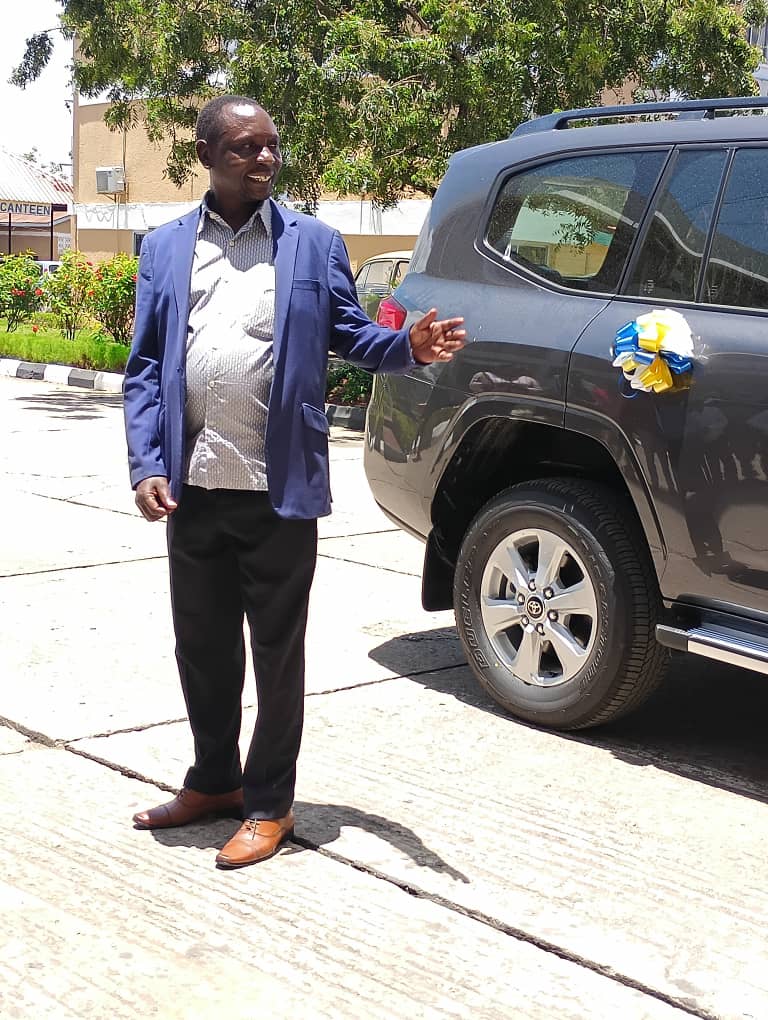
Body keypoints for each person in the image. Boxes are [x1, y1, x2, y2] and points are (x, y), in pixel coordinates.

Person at [123, 95, 465, 869]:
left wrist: (407, 347)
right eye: (246, 147)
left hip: (279, 491)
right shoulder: (166, 247)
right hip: (193, 488)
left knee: (277, 656)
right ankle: (213, 781)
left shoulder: (313, 243)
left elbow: (350, 334)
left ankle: (269, 804)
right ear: (207, 155)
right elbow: (145, 365)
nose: (266, 159)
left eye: (272, 145)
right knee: (201, 649)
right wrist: (146, 464)